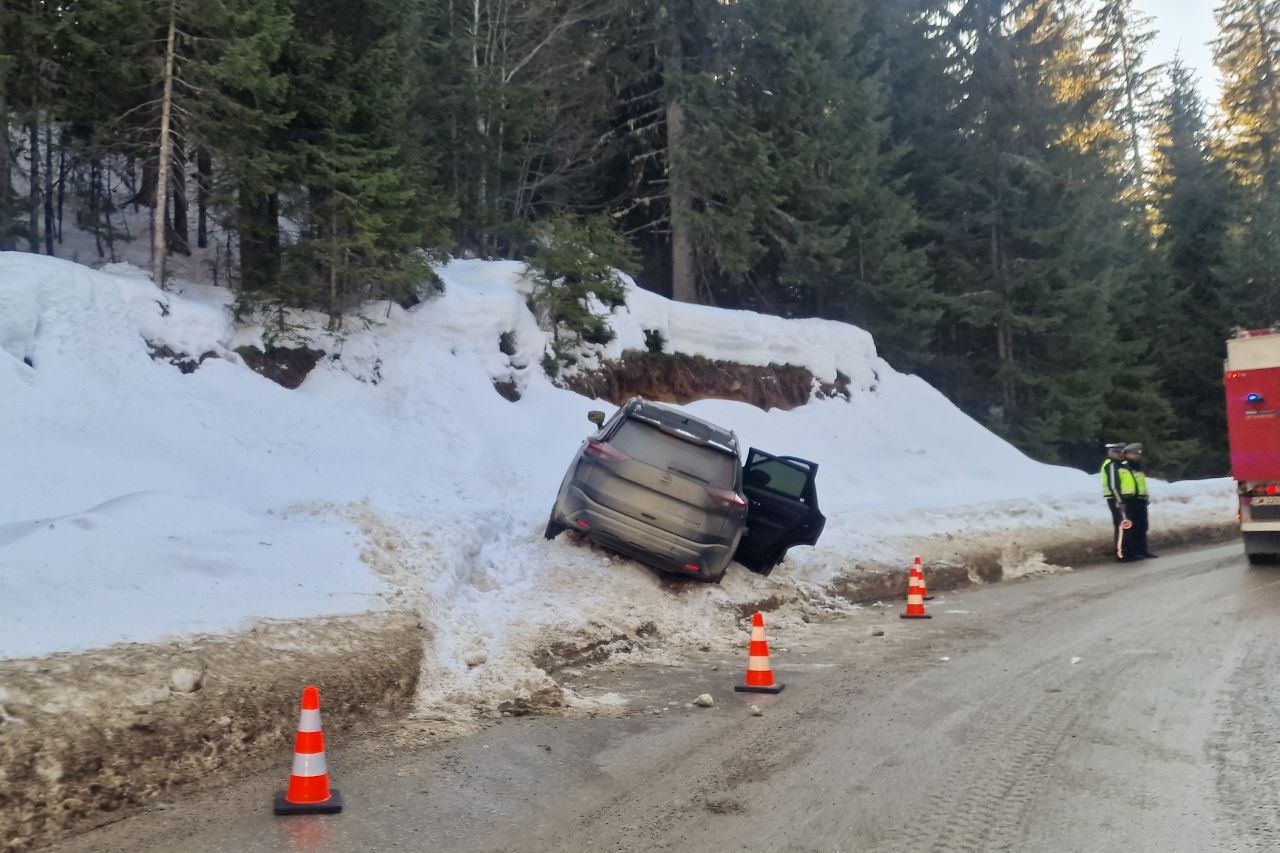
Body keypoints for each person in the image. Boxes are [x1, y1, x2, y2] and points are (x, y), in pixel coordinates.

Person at [1100, 442, 1132, 560]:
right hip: (1116, 499)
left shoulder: (1119, 465)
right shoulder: (1112, 465)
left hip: (1120, 498)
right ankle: (1121, 553)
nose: (1120, 454)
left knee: (1124, 525)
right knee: (1122, 526)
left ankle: (1124, 550)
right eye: (1117, 452)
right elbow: (1114, 485)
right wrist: (1120, 501)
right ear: (1110, 453)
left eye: (1121, 452)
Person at [1123, 443, 1156, 558]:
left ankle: (1143, 550)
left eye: (1138, 454)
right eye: (1134, 454)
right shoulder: (1124, 467)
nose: (1136, 456)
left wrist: (1145, 497)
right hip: (1129, 500)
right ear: (1126, 454)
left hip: (1140, 500)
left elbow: (1141, 484)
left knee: (1143, 526)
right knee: (1133, 527)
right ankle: (1134, 551)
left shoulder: (1138, 467)